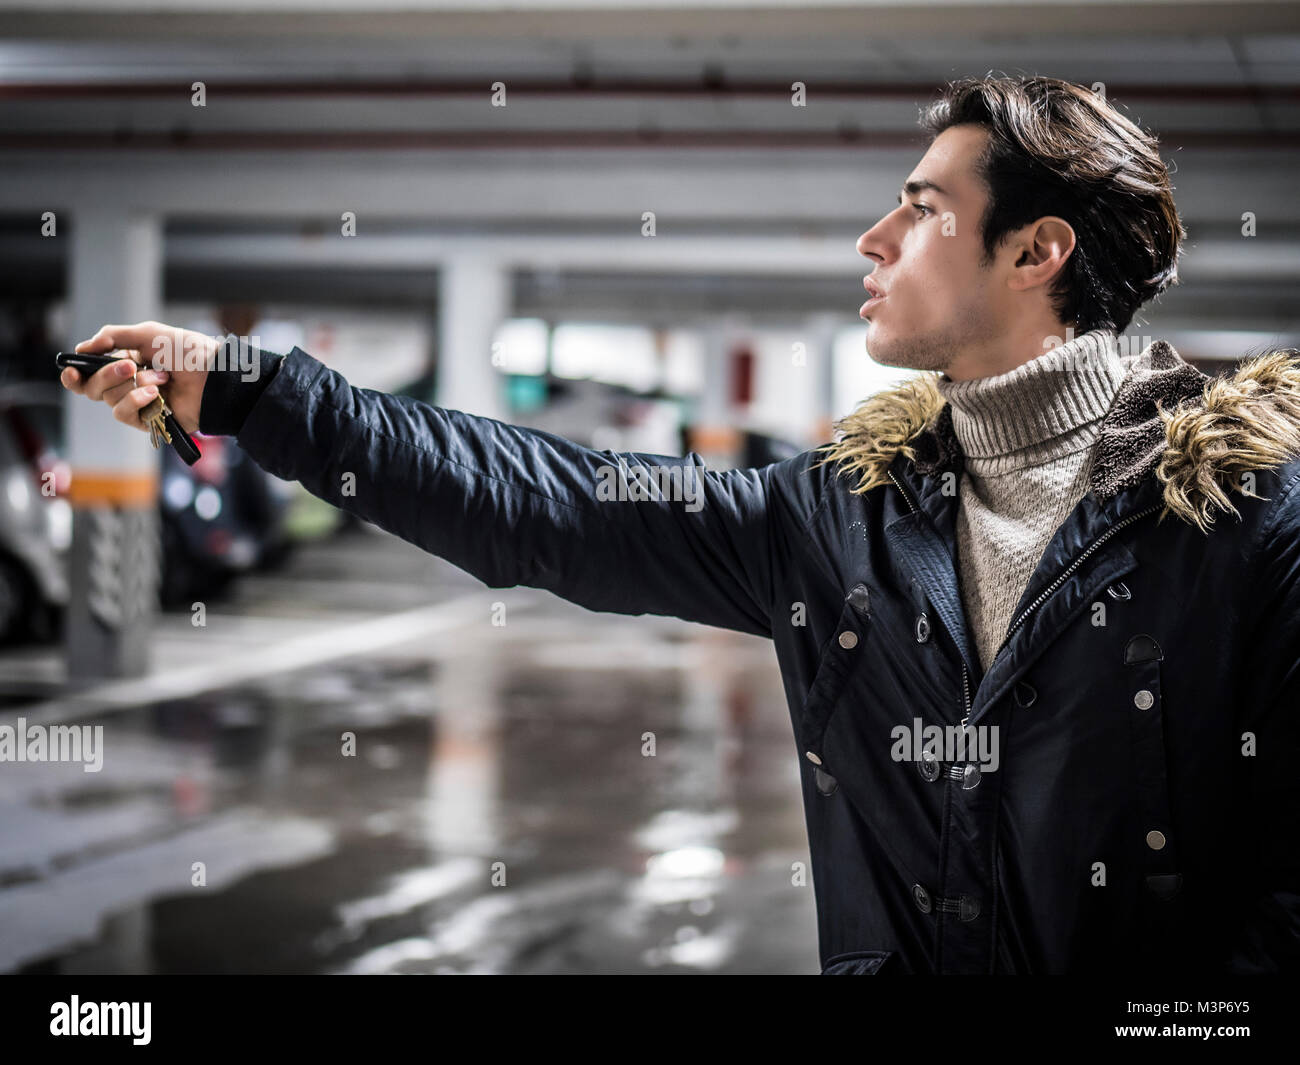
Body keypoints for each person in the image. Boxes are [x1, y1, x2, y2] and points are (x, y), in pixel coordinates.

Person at [61, 74, 1300, 974]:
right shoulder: (837, 516)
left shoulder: (1254, 522)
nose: (872, 239)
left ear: (1036, 251)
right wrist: (256, 392)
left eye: (920, 209)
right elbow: (551, 501)